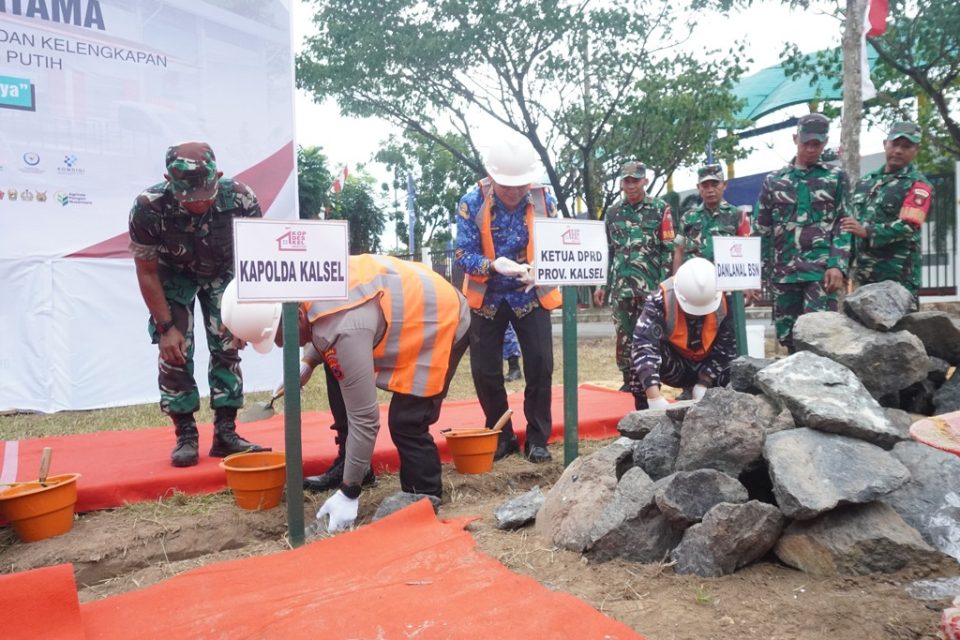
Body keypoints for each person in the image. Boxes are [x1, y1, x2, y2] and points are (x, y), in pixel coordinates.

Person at [222, 254, 471, 532]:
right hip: (404, 311)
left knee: (407, 420)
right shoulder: (308, 287)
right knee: (333, 360)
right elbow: (324, 321)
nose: (282, 345)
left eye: (279, 338)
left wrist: (349, 492)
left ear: (296, 315)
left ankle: (424, 496)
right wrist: (308, 362)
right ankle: (355, 466)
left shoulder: (346, 327)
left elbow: (365, 418)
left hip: (442, 318)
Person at [128, 141, 269, 467]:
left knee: (228, 344)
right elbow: (147, 272)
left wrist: (245, 314)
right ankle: (186, 434)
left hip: (224, 274)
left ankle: (225, 432)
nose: (198, 204)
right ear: (168, 180)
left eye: (205, 196)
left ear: (218, 176)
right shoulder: (148, 208)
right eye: (188, 198)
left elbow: (256, 259)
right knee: (175, 351)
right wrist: (165, 328)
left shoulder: (241, 199)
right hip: (173, 277)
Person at [454, 136, 562, 464]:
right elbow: (462, 254)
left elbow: (556, 247)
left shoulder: (545, 200)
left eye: (520, 186)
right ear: (493, 178)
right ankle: (502, 435)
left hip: (529, 294)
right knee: (486, 371)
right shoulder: (471, 202)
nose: (514, 193)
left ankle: (538, 438)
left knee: (541, 365)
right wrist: (491, 265)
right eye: (506, 187)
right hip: (487, 297)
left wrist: (541, 270)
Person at [754, 113, 851, 352]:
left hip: (820, 273)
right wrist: (756, 276)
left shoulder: (835, 178)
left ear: (825, 143)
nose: (810, 149)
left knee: (820, 336)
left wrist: (838, 264)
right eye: (805, 143)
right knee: (788, 339)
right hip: (784, 274)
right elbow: (762, 230)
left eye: (816, 144)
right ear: (795, 138)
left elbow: (844, 222)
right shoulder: (774, 181)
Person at [593, 161, 675, 392]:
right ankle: (628, 379)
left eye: (635, 180)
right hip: (621, 287)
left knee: (649, 334)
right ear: (621, 183)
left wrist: (663, 285)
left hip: (650, 287)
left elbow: (668, 250)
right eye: (627, 181)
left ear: (645, 181)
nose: (631, 185)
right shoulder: (612, 213)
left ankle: (649, 378)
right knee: (624, 334)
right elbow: (607, 251)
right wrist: (602, 284)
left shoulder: (660, 209)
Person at [841, 121, 933, 306]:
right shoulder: (865, 182)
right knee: (863, 333)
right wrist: (844, 266)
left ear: (916, 149)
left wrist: (867, 231)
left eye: (906, 146)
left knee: (899, 333)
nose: (898, 151)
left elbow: (908, 226)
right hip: (864, 277)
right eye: (894, 144)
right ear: (885, 144)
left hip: (897, 279)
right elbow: (851, 227)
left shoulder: (918, 185)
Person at [630, 258, 737, 410]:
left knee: (738, 368)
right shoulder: (661, 298)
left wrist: (703, 383)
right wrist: (654, 397)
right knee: (639, 359)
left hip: (710, 366)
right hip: (677, 366)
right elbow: (644, 346)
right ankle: (644, 415)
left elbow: (727, 349)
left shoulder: (726, 299)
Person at [672, 163, 742, 273]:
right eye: (705, 185)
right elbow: (679, 251)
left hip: (726, 284)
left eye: (715, 184)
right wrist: (676, 280)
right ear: (698, 187)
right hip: (694, 283)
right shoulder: (688, 217)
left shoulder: (737, 215)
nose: (710, 190)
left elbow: (747, 252)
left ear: (724, 185)